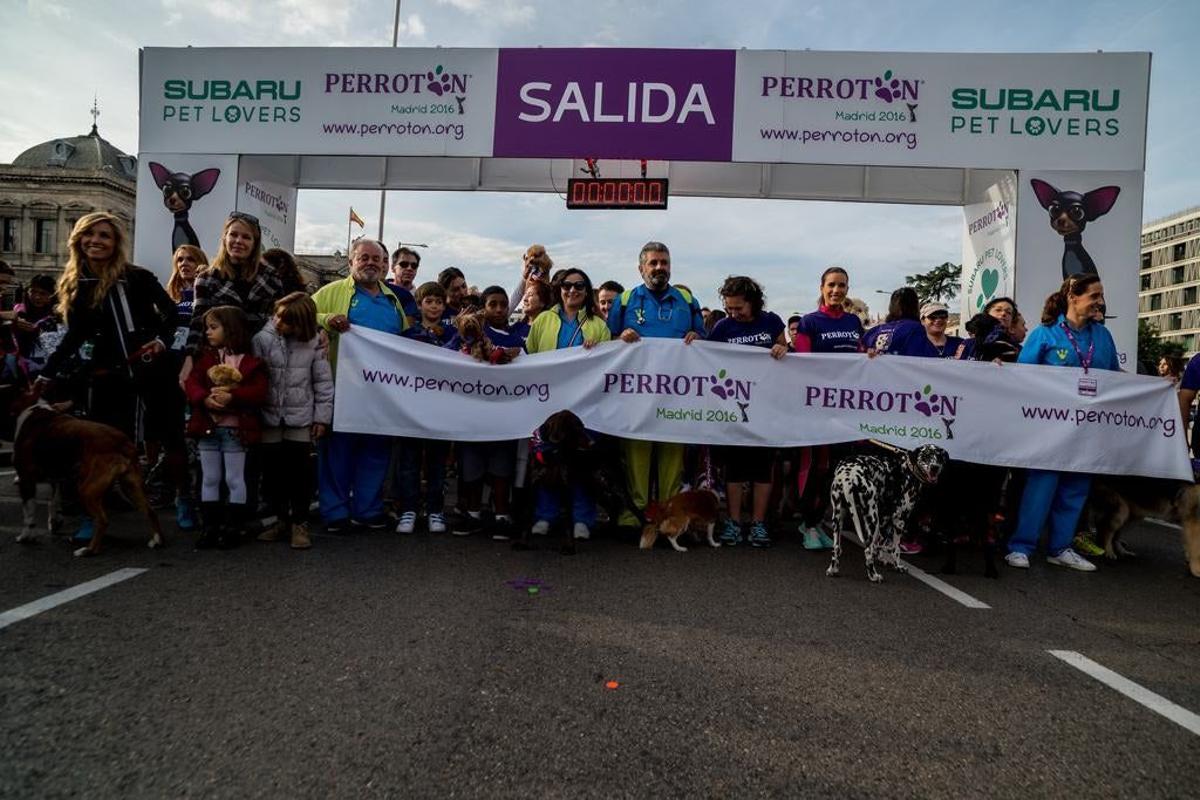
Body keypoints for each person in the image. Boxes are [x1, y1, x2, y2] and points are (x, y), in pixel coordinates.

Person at [37, 213, 185, 542]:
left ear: (116, 242)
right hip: (108, 376)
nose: (96, 241)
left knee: (170, 436)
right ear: (78, 239)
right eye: (89, 234)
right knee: (99, 448)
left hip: (151, 369)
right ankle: (93, 515)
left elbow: (172, 315)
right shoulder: (77, 284)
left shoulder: (137, 277)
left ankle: (184, 498)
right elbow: (74, 336)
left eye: (104, 235)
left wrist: (160, 341)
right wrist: (47, 372)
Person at [1005, 273, 1120, 573]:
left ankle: (1060, 548)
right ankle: (1021, 546)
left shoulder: (1103, 337)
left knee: (1076, 488)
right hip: (1049, 429)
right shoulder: (1044, 334)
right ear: (1073, 296)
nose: (1100, 302)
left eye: (1101, 296)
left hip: (1086, 430)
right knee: (1041, 486)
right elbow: (1022, 379)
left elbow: (1115, 380)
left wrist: (1156, 388)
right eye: (1094, 295)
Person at [606, 241, 705, 528]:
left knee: (672, 461)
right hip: (636, 396)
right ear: (641, 268)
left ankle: (669, 519)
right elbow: (607, 342)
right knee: (636, 459)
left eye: (664, 262)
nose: (660, 267)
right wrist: (619, 338)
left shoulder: (687, 300)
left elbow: (704, 341)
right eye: (653, 263)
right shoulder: (625, 300)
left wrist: (698, 338)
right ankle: (635, 517)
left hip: (676, 396)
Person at [313, 238, 407, 532]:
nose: (370, 263)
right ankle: (335, 511)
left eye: (376, 259)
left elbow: (406, 344)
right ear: (351, 262)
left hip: (382, 393)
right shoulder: (330, 292)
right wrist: (326, 319)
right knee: (337, 453)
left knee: (376, 452)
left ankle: (368, 509)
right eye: (364, 257)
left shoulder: (393, 300)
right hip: (342, 389)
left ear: (385, 265)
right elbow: (298, 314)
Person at [527, 267, 612, 539]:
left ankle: (582, 518)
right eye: (567, 285)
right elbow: (530, 357)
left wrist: (597, 350)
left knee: (581, 462)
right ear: (559, 289)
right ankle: (545, 515)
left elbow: (608, 364)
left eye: (578, 285)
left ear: (587, 291)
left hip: (584, 404)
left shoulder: (598, 325)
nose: (572, 290)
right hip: (548, 402)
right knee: (547, 459)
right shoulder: (543, 320)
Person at [706, 276, 789, 547]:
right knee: (735, 468)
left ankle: (758, 523)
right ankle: (733, 522)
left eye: (738, 308)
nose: (733, 313)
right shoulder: (722, 327)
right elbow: (706, 358)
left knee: (763, 467)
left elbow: (786, 350)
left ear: (753, 302)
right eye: (729, 308)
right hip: (734, 407)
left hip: (766, 407)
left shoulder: (771, 321)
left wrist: (782, 348)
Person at [252, 292, 333, 550]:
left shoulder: (314, 342)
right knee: (272, 474)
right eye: (277, 316)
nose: (279, 323)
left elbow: (323, 381)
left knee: (300, 473)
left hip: (300, 416)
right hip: (269, 416)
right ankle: (280, 520)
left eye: (287, 321)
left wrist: (322, 418)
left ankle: (300, 522)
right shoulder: (261, 338)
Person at [791, 267, 864, 550]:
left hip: (845, 407)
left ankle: (816, 520)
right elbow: (802, 362)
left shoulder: (853, 321)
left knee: (835, 468)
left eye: (841, 285)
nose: (836, 290)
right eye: (831, 285)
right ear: (822, 287)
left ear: (847, 289)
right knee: (815, 466)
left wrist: (870, 355)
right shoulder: (810, 322)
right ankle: (808, 523)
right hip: (816, 406)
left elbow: (860, 356)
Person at [184, 305, 269, 549]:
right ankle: (210, 526)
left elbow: (259, 391)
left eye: (213, 327)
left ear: (230, 329)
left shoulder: (251, 362)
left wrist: (233, 397)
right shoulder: (205, 359)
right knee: (210, 477)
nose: (208, 332)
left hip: (235, 430)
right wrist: (204, 399)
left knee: (234, 478)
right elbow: (192, 383)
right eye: (207, 328)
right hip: (208, 427)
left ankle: (233, 526)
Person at [447, 286, 525, 539]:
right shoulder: (469, 334)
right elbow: (446, 356)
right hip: (472, 414)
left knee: (502, 467)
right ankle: (473, 513)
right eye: (493, 304)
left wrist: (514, 357)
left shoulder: (516, 339)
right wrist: (462, 337)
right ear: (483, 308)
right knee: (472, 466)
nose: (500, 309)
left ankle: (501, 515)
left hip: (505, 416)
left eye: (503, 304)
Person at [182, 212, 285, 385]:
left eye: (246, 237)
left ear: (255, 243)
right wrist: (189, 357)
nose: (238, 241)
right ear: (225, 238)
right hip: (220, 363)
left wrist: (318, 329)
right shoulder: (207, 278)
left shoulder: (270, 277)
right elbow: (198, 320)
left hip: (260, 362)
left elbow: (284, 314)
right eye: (233, 235)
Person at [395, 281, 457, 534]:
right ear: (419, 305)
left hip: (441, 409)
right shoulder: (408, 335)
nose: (434, 306)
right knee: (409, 461)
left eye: (439, 302)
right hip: (411, 408)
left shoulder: (453, 335)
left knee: (437, 463)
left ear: (445, 306)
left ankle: (435, 510)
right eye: (429, 301)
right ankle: (408, 510)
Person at [11, 274, 60, 375]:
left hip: (47, 367)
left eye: (43, 293)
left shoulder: (58, 315)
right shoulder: (18, 312)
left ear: (53, 295)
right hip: (19, 366)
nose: (37, 297)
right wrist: (14, 325)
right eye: (33, 292)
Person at [864, 288, 937, 356]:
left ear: (891, 307)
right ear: (915, 306)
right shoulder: (916, 330)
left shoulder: (873, 332)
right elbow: (929, 359)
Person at [508, 244, 553, 313]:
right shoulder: (531, 272)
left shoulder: (543, 271)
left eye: (536, 256)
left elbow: (546, 265)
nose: (532, 259)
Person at [387, 246, 421, 322]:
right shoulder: (379, 291)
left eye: (414, 266)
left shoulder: (420, 300)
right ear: (392, 267)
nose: (409, 268)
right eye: (404, 264)